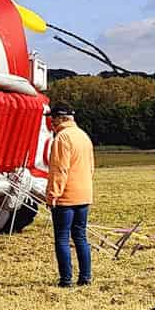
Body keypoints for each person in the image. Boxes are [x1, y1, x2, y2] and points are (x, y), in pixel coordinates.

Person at [44, 101, 94, 287]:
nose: (51, 123)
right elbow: (91, 167)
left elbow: (59, 170)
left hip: (66, 197)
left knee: (62, 238)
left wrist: (52, 195)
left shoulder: (62, 138)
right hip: (84, 194)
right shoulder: (83, 136)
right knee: (80, 236)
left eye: (53, 119)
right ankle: (85, 277)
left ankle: (66, 279)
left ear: (61, 118)